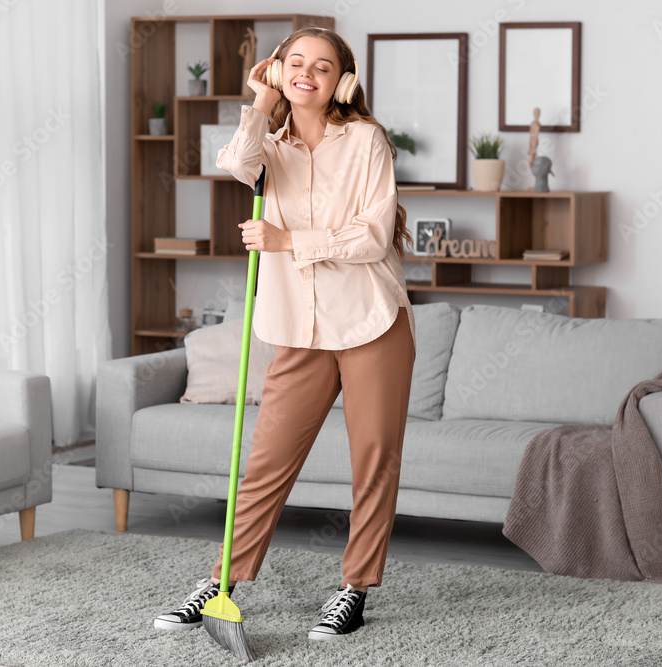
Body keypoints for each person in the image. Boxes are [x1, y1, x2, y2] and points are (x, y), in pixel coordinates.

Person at [153, 26, 416, 642]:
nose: (308, 74)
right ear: (278, 71)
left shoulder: (368, 142)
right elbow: (234, 163)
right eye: (295, 63)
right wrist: (262, 101)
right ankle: (223, 583)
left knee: (373, 460)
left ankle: (354, 588)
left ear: (343, 81)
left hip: (372, 324)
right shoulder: (269, 146)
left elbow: (373, 236)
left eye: (323, 67)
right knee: (266, 463)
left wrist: (286, 241)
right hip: (299, 329)